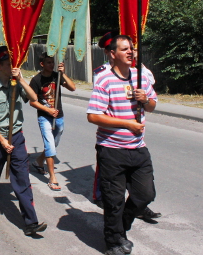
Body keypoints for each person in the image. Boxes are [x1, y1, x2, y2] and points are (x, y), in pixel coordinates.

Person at [87, 35, 157, 255]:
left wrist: (145, 99)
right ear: (112, 54)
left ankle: (121, 229)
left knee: (145, 194)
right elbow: (93, 116)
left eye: (132, 48)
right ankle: (113, 242)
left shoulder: (140, 77)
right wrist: (126, 124)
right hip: (112, 150)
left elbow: (153, 105)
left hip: (137, 147)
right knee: (114, 200)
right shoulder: (105, 80)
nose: (130, 52)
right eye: (125, 49)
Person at [0, 46, 47, 236]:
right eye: (8, 64)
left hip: (16, 136)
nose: (12, 67)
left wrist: (22, 79)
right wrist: (1, 140)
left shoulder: (18, 85)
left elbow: (34, 98)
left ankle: (30, 221)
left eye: (13, 63)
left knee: (22, 177)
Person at [29, 53, 76, 191]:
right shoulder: (36, 80)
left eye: (52, 62)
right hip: (45, 117)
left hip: (59, 116)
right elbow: (32, 102)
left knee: (54, 144)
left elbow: (73, 88)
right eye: (48, 62)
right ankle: (52, 178)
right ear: (42, 64)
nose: (51, 64)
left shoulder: (57, 76)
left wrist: (63, 74)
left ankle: (38, 161)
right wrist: (47, 110)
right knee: (50, 146)